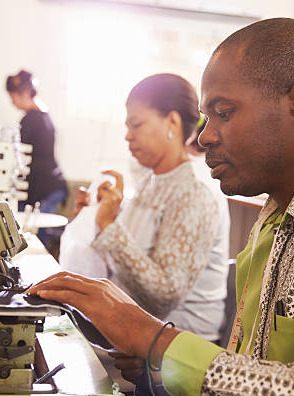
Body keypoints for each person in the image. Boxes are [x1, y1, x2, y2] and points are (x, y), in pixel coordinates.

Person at [27, 18, 294, 396]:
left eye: (223, 113)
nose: (204, 136)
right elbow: (259, 365)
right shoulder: (277, 210)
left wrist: (155, 339)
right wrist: (166, 360)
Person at [74, 73, 229, 344]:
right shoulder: (152, 181)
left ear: (172, 122)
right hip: (137, 329)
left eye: (136, 125)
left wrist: (109, 226)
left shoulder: (195, 193)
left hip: (177, 351)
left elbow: (164, 295)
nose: (127, 136)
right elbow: (124, 267)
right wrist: (91, 220)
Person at [6, 70, 68, 247]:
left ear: (24, 93)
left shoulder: (31, 119)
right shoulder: (45, 115)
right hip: (52, 184)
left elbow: (17, 155)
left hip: (46, 187)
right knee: (37, 234)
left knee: (38, 238)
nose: (13, 104)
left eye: (13, 98)